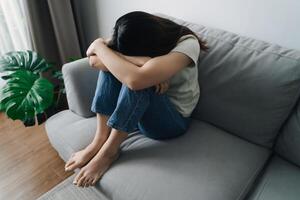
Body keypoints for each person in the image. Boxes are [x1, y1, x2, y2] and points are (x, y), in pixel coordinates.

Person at [64, 11, 208, 187]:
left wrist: (103, 48)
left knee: (139, 81)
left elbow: (135, 80)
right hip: (137, 113)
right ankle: (99, 140)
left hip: (172, 121)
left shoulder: (187, 44)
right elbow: (93, 60)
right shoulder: (131, 31)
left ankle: (109, 152)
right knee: (112, 68)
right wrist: (142, 61)